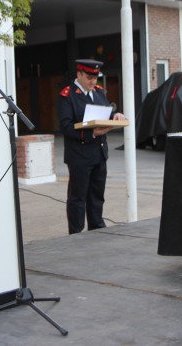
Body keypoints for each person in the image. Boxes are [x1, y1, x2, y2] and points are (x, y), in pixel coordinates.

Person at [57, 59, 126, 234]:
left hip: (99, 152)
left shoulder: (99, 92)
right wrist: (92, 133)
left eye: (95, 78)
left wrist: (116, 115)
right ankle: (76, 232)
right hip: (79, 154)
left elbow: (106, 113)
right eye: (89, 78)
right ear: (79, 74)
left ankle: (97, 228)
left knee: (97, 195)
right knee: (78, 198)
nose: (93, 82)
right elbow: (66, 127)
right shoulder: (67, 95)